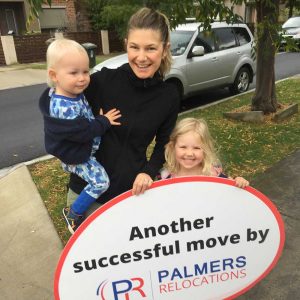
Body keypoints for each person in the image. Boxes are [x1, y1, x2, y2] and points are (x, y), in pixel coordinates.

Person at [39, 7, 180, 218]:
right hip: (87, 193)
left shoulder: (168, 96)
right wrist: (62, 146)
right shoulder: (101, 81)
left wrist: (148, 171)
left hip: (131, 195)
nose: (141, 57)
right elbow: (57, 98)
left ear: (165, 48)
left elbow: (164, 143)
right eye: (134, 47)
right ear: (126, 46)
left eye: (150, 48)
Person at [40, 38, 121, 233]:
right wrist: (103, 121)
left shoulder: (69, 92)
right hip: (78, 156)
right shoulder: (63, 107)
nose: (82, 78)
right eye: (74, 72)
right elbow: (82, 131)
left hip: (80, 152)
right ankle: (74, 212)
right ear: (54, 75)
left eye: (86, 71)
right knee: (101, 181)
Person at [161, 117, 249, 188]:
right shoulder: (166, 178)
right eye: (183, 147)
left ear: (205, 149)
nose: (189, 153)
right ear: (173, 147)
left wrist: (239, 182)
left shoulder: (213, 175)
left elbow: (229, 191)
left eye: (196, 148)